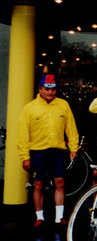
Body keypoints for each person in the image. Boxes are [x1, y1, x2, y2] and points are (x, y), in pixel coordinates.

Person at [17, 74, 79, 227]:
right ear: (40, 89)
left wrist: (73, 147)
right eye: (46, 89)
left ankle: (59, 218)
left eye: (53, 90)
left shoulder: (63, 105)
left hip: (57, 151)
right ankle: (40, 217)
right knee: (38, 184)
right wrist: (25, 156)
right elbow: (22, 134)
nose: (50, 93)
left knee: (60, 182)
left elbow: (71, 128)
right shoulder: (30, 108)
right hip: (37, 151)